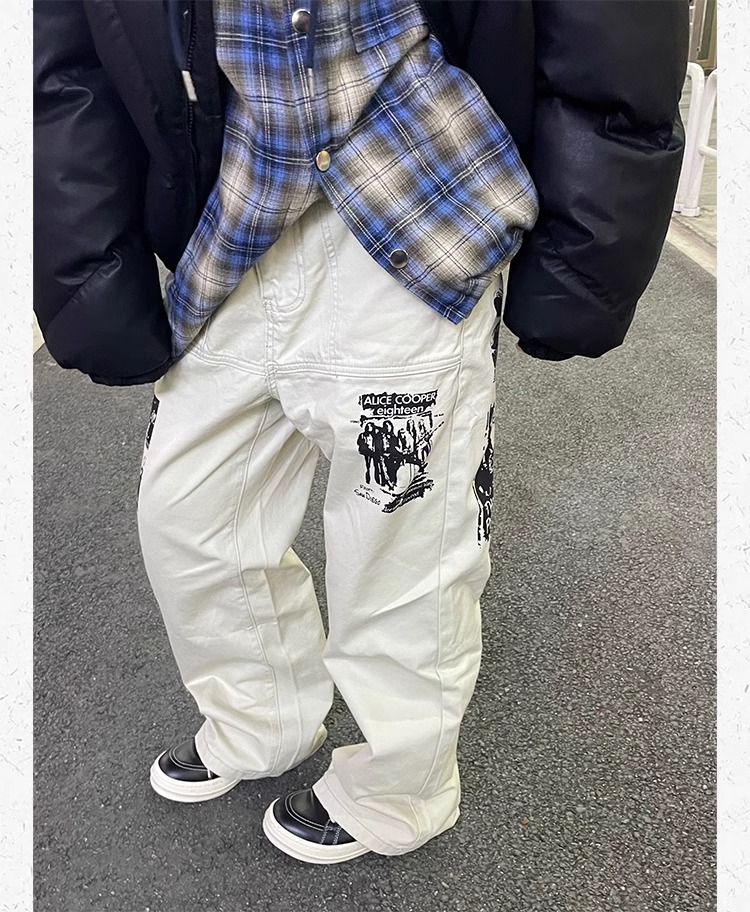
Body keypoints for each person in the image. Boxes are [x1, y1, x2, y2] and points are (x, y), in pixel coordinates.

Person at [34, 0, 689, 864]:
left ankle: (398, 790)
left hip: (421, 204)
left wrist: (589, 253)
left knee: (402, 552)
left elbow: (615, 31)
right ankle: (261, 717)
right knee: (187, 518)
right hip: (228, 213)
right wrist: (82, 263)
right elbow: (62, 69)